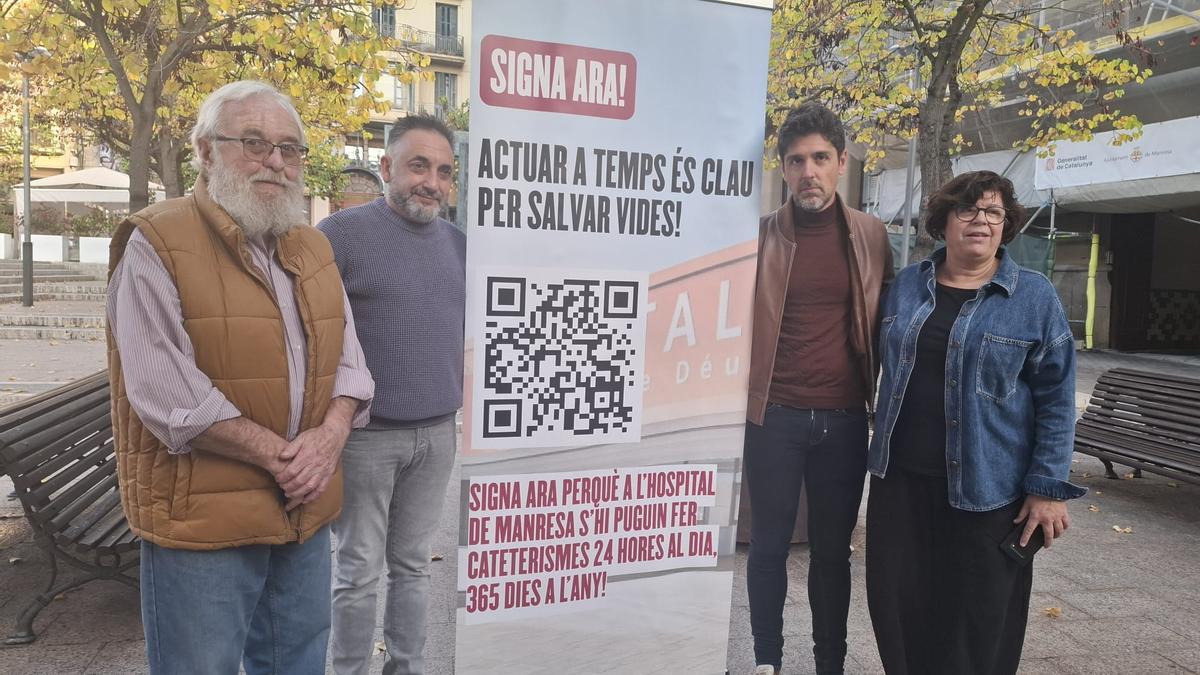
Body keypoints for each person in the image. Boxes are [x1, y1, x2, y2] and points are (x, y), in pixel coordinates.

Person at [106, 80, 374, 674]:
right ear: (206, 151)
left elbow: (351, 366)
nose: (275, 161)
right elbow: (165, 393)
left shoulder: (312, 247)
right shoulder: (157, 240)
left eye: (289, 148)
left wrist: (329, 439)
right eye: (253, 143)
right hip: (206, 520)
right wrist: (285, 458)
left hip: (302, 510)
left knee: (297, 665)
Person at [866, 170, 1086, 674]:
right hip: (901, 484)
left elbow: (1057, 399)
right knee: (901, 611)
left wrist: (1047, 488)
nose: (981, 221)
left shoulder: (1033, 297)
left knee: (978, 623)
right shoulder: (907, 286)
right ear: (944, 221)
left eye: (993, 212)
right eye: (968, 209)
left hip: (990, 491)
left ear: (1005, 225)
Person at [744, 101, 894, 675]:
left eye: (821, 158)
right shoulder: (759, 237)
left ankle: (830, 661)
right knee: (768, 546)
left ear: (841, 162)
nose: (809, 171)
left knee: (833, 553)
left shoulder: (872, 236)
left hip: (845, 420)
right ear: (783, 168)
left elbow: (892, 319)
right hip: (774, 417)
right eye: (796, 160)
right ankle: (767, 660)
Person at [319, 113, 465, 675]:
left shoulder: (459, 245)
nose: (432, 181)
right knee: (357, 571)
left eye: (444, 171)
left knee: (414, 567)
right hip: (364, 438)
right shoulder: (339, 236)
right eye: (418, 166)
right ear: (386, 168)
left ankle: (406, 667)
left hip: (438, 434)